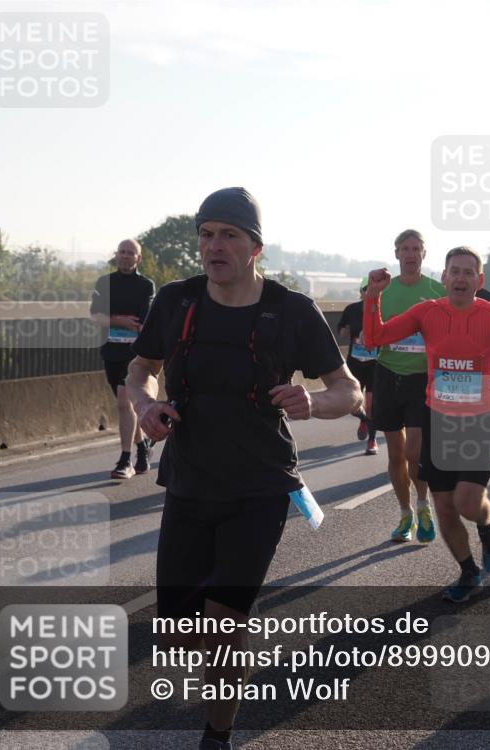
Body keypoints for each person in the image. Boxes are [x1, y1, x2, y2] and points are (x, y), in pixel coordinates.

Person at [127, 187, 361, 750]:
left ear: (255, 247)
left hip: (258, 489)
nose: (214, 246)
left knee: (224, 623)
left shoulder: (290, 311)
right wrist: (145, 406)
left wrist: (314, 402)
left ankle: (218, 733)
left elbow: (349, 392)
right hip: (187, 483)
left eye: (229, 235)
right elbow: (140, 368)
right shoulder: (177, 302)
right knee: (184, 630)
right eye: (206, 235)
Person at [364, 247, 490, 601]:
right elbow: (375, 338)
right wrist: (373, 298)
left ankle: (487, 523)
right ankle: (468, 571)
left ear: (479, 281)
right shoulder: (426, 312)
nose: (462, 278)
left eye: (469, 272)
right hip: (438, 419)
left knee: (468, 502)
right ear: (444, 278)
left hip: (478, 422)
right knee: (445, 506)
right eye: (455, 271)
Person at [371, 229, 445, 543]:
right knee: (395, 454)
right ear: (397, 253)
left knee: (415, 452)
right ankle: (405, 515)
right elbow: (367, 332)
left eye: (416, 248)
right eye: (405, 248)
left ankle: (424, 504)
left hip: (420, 379)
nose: (411, 254)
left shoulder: (437, 290)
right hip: (388, 374)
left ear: (424, 254)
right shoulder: (381, 290)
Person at [90, 239, 155, 479]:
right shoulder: (104, 283)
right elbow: (96, 317)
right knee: (126, 406)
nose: (126, 256)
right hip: (111, 352)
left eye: (131, 253)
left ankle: (125, 460)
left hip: (134, 355)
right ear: (116, 256)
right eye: (122, 252)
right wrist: (120, 321)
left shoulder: (146, 285)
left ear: (139, 258)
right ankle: (142, 447)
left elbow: (143, 320)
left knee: (123, 402)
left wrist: (114, 318)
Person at [338, 281, 380, 454]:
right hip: (355, 362)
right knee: (350, 402)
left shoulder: (381, 309)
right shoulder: (351, 310)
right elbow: (341, 331)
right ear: (361, 292)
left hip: (375, 364)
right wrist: (346, 330)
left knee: (371, 405)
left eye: (373, 290)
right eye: (366, 289)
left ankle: (372, 440)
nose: (369, 292)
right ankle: (363, 418)